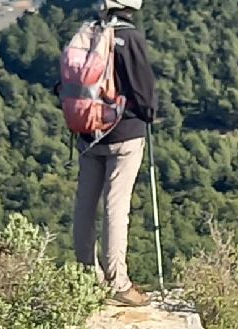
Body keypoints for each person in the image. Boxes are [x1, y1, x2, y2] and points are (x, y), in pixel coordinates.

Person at [73, 0, 158, 307]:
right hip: (124, 134)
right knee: (116, 205)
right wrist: (150, 114)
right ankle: (118, 282)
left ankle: (85, 275)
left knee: (85, 203)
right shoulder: (129, 38)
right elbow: (143, 88)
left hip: (87, 133)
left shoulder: (88, 32)